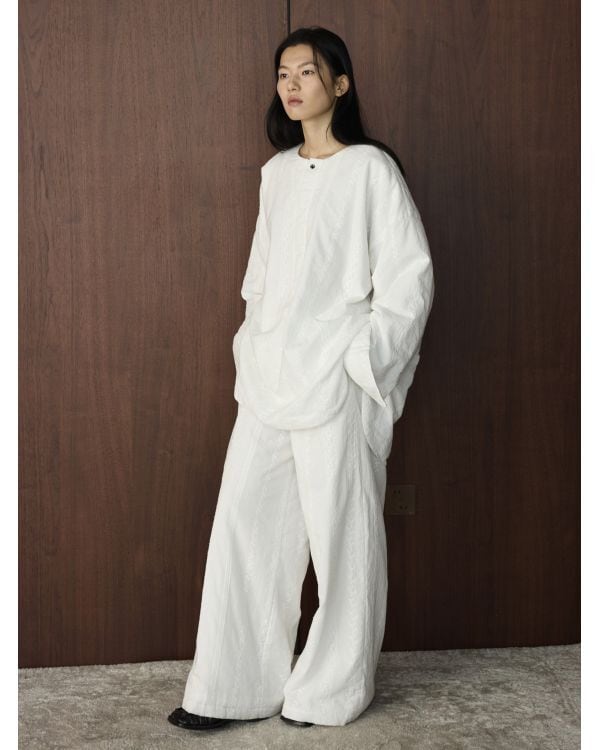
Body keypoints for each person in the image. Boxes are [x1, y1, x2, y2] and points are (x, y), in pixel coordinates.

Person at [168, 25, 434, 731]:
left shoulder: (371, 170)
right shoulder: (277, 173)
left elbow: (409, 279)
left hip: (337, 378)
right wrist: (251, 344)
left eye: (307, 72)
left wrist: (362, 362)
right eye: (283, 72)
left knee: (343, 538)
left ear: (340, 84)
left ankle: (329, 692)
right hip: (269, 377)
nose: (291, 84)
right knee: (245, 527)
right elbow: (259, 278)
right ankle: (229, 689)